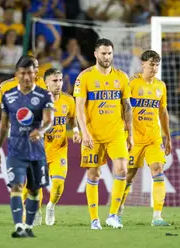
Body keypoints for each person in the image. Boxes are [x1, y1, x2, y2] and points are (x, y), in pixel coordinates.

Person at [73, 38, 133, 230]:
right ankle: (94, 219)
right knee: (93, 173)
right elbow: (79, 108)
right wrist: (84, 132)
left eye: (109, 53)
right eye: (103, 53)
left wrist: (130, 133)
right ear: (96, 54)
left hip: (116, 132)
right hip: (93, 134)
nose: (107, 57)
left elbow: (127, 107)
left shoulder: (122, 77)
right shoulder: (85, 77)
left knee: (122, 169)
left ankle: (113, 215)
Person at [0, 56, 54, 238]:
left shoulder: (44, 95)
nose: (27, 77)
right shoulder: (8, 96)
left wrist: (41, 130)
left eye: (30, 73)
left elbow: (49, 120)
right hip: (15, 150)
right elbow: (3, 125)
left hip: (36, 151)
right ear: (17, 74)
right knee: (17, 186)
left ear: (35, 74)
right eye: (23, 73)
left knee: (35, 190)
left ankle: (28, 226)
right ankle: (19, 225)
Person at [118, 50, 172, 226]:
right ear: (143, 64)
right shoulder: (132, 83)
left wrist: (168, 137)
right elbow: (122, 109)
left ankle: (157, 216)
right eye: (151, 64)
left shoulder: (161, 86)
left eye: (157, 65)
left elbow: (163, 113)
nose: (154, 68)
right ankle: (117, 210)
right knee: (129, 176)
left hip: (153, 138)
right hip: (133, 138)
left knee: (157, 170)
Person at [22, 68, 81, 226]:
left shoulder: (68, 100)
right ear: (46, 83)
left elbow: (72, 118)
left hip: (59, 150)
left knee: (59, 183)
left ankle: (51, 206)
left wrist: (75, 131)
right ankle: (36, 212)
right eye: (55, 81)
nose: (59, 84)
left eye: (60, 80)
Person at [0, 55, 47, 150]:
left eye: (37, 67)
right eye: (34, 66)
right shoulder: (5, 86)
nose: (37, 70)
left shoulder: (43, 83)